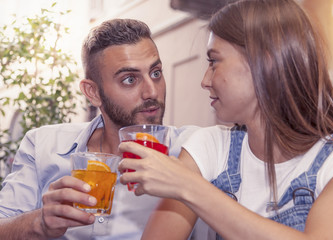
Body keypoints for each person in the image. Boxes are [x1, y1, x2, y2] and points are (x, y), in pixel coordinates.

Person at [118, 0, 333, 239]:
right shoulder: (210, 145)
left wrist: (186, 185)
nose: (205, 80)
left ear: (265, 61)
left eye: (214, 61)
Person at [0, 18, 198, 239]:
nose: (152, 92)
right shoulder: (42, 144)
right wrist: (39, 223)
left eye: (155, 73)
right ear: (92, 92)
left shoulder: (192, 150)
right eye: (130, 79)